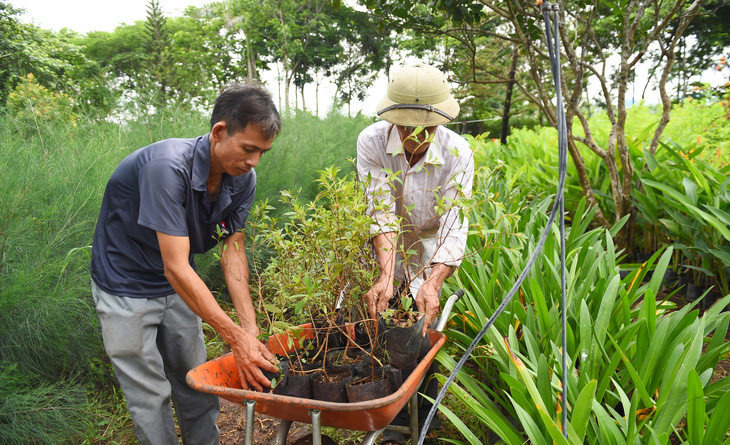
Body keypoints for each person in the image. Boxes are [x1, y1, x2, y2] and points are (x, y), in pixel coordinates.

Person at [90, 82, 281, 445]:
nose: (254, 162)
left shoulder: (242, 179)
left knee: (196, 380)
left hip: (177, 284)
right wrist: (233, 337)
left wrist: (249, 328)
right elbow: (176, 266)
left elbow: (233, 248)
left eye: (262, 153)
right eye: (248, 149)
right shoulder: (167, 168)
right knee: (151, 394)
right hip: (125, 285)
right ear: (219, 132)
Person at [357, 63, 474, 445]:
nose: (414, 136)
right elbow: (380, 212)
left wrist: (434, 281)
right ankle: (386, 411)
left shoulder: (458, 152)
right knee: (381, 319)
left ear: (441, 121)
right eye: (406, 126)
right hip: (386, 244)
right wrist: (386, 276)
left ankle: (422, 414)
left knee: (422, 328)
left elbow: (455, 223)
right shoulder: (372, 142)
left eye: (425, 128)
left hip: (431, 245)